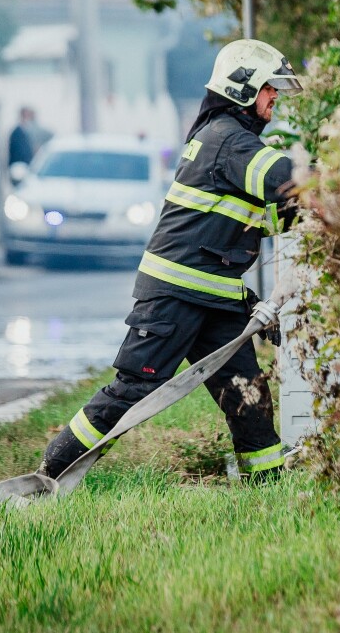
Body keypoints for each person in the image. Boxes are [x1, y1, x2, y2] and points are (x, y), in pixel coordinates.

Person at [39, 38, 303, 482]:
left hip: (214, 296)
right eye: (268, 87)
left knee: (247, 394)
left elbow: (273, 215)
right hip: (175, 296)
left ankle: (268, 487)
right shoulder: (228, 141)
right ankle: (49, 473)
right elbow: (285, 179)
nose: (274, 96)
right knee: (132, 391)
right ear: (243, 87)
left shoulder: (225, 141)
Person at [8, 106, 52, 170]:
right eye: (28, 115)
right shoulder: (17, 132)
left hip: (27, 166)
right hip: (19, 167)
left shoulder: (29, 131)